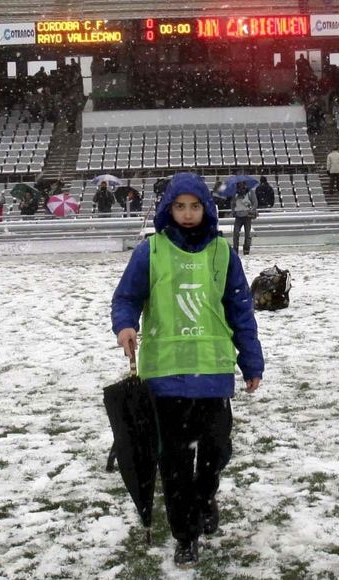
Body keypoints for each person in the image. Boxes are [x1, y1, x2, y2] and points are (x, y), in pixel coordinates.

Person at [110, 172, 264, 570]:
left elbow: (241, 310)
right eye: (180, 206)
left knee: (216, 451)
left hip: (213, 374)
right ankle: (185, 535)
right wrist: (125, 324)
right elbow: (127, 297)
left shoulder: (223, 253)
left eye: (195, 206)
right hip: (164, 377)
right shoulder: (151, 251)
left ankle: (206, 495)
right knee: (174, 463)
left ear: (207, 209)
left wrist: (251, 360)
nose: (188, 213)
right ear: (168, 209)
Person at [230, 181, 258, 255]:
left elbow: (255, 203)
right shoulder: (235, 194)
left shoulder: (250, 192)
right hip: (238, 216)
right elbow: (232, 203)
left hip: (247, 216)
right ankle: (235, 248)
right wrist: (233, 211)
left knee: (247, 234)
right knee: (236, 233)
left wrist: (251, 210)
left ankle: (246, 249)